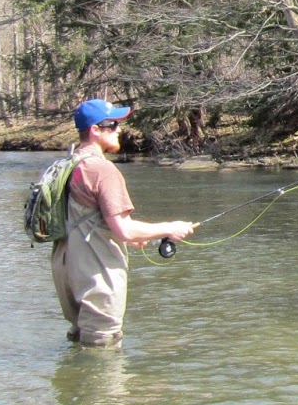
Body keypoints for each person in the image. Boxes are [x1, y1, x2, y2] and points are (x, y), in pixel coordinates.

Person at [51, 98, 196, 348]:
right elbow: (124, 229)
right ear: (95, 130)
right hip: (96, 275)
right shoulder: (102, 170)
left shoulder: (68, 163)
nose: (119, 129)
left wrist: (140, 235)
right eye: (113, 124)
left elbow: (90, 220)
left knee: (81, 343)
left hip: (66, 269)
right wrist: (171, 227)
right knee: (102, 352)